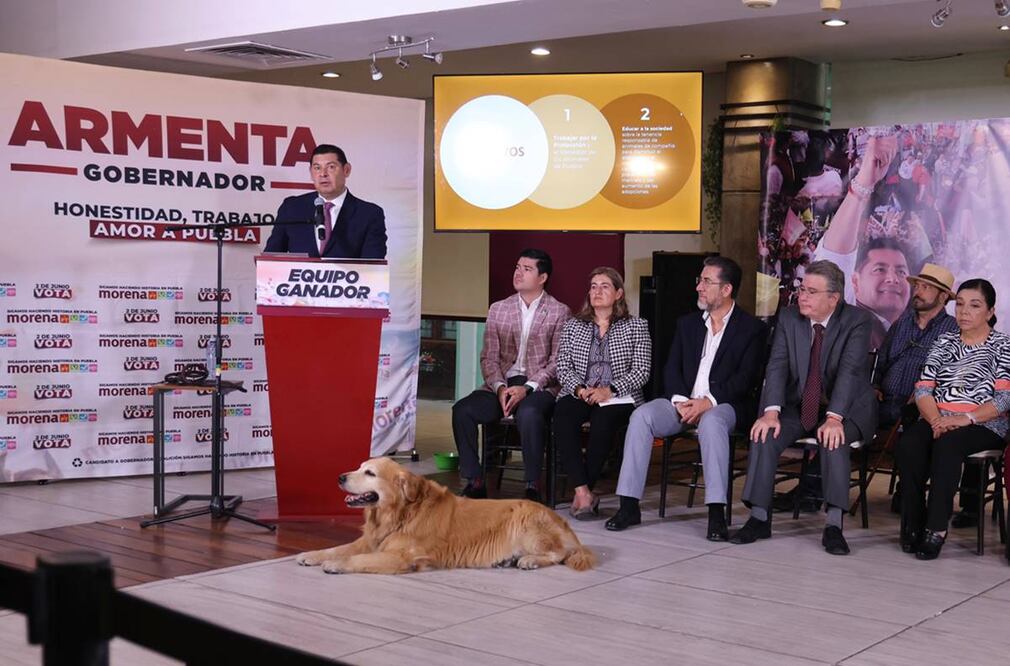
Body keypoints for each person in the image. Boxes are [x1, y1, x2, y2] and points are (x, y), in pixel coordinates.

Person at [605, 257, 767, 540]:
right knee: (642, 416)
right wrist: (680, 400)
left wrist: (709, 402)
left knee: (712, 422)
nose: (699, 288)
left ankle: (716, 513)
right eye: (699, 281)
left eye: (706, 282)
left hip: (724, 406)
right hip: (683, 403)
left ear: (727, 289)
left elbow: (747, 378)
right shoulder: (687, 324)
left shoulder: (751, 328)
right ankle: (628, 505)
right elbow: (672, 368)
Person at [731, 260, 877, 556]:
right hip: (802, 404)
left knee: (833, 439)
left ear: (833, 298)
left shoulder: (858, 321)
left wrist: (835, 418)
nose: (802, 296)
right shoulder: (789, 318)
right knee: (764, 433)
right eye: (801, 288)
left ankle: (834, 525)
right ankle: (759, 517)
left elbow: (850, 372)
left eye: (812, 291)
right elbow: (777, 366)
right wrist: (770, 411)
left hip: (846, 407)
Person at [895, 279, 1010, 560]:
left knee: (948, 446)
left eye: (974, 305)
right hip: (939, 418)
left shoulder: (1002, 345)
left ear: (991, 311)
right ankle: (914, 521)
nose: (964, 312)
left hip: (984, 423)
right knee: (909, 443)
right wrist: (935, 420)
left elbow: (1004, 399)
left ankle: (936, 529)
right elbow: (923, 389)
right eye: (959, 304)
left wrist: (965, 418)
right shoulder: (944, 341)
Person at [451, 249, 570, 502]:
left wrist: (527, 387)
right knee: (463, 410)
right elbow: (489, 357)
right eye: (517, 267)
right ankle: (475, 480)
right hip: (502, 384)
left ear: (542, 277)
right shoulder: (499, 309)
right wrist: (499, 387)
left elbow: (557, 362)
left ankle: (532, 483)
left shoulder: (559, 311)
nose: (518, 273)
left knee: (529, 412)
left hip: (539, 386)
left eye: (527, 269)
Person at [553, 267, 651, 519]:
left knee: (603, 422)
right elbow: (562, 365)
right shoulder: (574, 326)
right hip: (581, 391)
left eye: (604, 286)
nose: (597, 291)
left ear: (618, 293)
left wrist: (610, 390)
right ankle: (584, 492)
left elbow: (642, 371)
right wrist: (579, 389)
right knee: (563, 415)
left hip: (619, 395)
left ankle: (584, 491)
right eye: (593, 286)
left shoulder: (636, 326)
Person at [264, 144, 387, 259]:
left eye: (331, 167)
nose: (323, 174)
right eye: (317, 168)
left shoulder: (369, 214)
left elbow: (373, 266)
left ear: (346, 170)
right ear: (311, 173)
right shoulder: (292, 208)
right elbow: (271, 257)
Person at [875, 263, 958, 428]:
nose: (917, 292)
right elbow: (881, 359)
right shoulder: (901, 322)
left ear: (943, 297)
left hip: (920, 410)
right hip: (882, 402)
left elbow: (953, 378)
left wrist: (928, 398)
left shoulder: (954, 330)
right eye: (917, 286)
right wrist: (875, 386)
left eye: (926, 287)